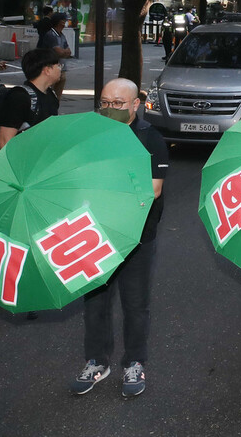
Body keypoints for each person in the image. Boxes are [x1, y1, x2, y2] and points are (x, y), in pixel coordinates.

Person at [71, 78, 169, 398]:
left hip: (137, 236)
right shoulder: (92, 137)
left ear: (135, 105)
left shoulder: (150, 138)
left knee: (135, 304)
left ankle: (134, 363)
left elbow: (153, 189)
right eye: (105, 102)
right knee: (95, 302)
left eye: (118, 103)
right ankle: (97, 361)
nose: (110, 108)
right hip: (97, 234)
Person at [0, 49, 61, 149]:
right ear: (47, 70)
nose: (60, 69)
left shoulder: (51, 95)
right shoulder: (19, 97)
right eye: (58, 66)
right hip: (23, 158)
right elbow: (5, 138)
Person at [38, 13, 72, 100]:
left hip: (61, 68)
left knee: (58, 95)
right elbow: (59, 52)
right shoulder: (51, 35)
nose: (66, 22)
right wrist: (64, 52)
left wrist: (63, 52)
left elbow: (69, 52)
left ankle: (55, 108)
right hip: (51, 67)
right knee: (49, 91)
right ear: (60, 22)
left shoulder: (61, 35)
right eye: (65, 20)